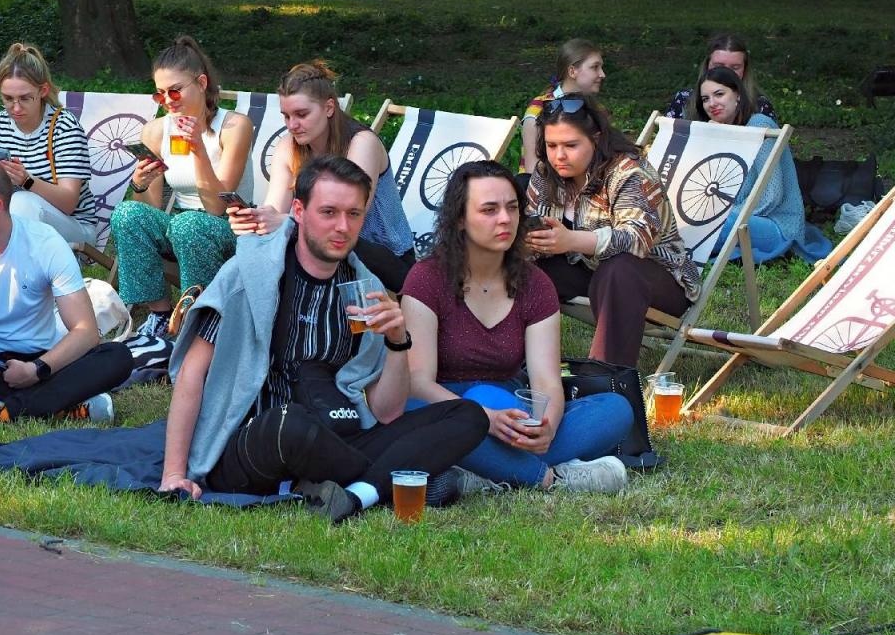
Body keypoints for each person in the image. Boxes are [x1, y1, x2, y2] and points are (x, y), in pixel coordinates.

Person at [161, 154, 487, 522]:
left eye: (354, 214)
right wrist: (174, 474)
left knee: (469, 414)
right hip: (257, 437)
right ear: (298, 211)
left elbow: (386, 411)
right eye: (329, 212)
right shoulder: (249, 276)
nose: (342, 227)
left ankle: (355, 495)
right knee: (289, 423)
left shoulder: (364, 289)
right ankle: (402, 477)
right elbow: (192, 372)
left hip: (337, 433)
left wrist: (398, 341)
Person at [402, 162, 633, 495]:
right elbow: (417, 382)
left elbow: (546, 382)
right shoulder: (426, 278)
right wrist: (483, 417)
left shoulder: (535, 284)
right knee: (420, 414)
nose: (505, 220)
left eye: (512, 208)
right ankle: (553, 479)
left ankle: (483, 473)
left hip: (512, 408)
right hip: (444, 408)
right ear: (459, 219)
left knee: (615, 410)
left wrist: (546, 427)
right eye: (489, 210)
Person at [0, 155, 132, 422]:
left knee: (118, 356)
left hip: (40, 360)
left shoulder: (44, 243)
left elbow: (85, 331)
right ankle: (60, 407)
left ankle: (2, 411)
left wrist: (36, 369)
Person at [526, 97, 700, 366]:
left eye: (571, 145)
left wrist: (570, 240)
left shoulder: (628, 172)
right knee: (516, 267)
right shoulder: (545, 173)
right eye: (551, 145)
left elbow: (637, 239)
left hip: (656, 277)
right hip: (588, 270)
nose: (559, 155)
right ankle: (510, 362)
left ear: (595, 139)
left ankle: (607, 380)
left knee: (618, 268)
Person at [109, 35, 254, 341]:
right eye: (160, 95)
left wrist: (200, 150)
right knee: (126, 214)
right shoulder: (156, 130)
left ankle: (198, 319)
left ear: (201, 83)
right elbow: (147, 211)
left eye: (175, 91)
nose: (169, 102)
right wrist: (140, 183)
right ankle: (161, 316)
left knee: (189, 224)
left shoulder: (234, 127)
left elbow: (218, 207)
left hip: (230, 226)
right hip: (180, 221)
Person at [227, 60, 416, 291]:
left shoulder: (361, 144)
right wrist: (257, 219)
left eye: (301, 114)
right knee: (259, 250)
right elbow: (275, 210)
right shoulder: (289, 146)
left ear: (329, 108)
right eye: (286, 116)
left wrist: (288, 225)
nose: (292, 125)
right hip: (323, 251)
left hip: (381, 257)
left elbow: (349, 221)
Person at [693, 67, 829, 263]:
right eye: (705, 99)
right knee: (691, 220)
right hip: (737, 219)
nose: (712, 103)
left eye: (719, 94)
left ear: (737, 95)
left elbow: (772, 194)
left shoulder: (759, 125)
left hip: (776, 224)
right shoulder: (720, 131)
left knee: (714, 224)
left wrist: (723, 215)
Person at [0, 43, 100, 246]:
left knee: (23, 202)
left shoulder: (64, 127)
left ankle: (18, 273)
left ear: (43, 90)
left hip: (73, 227)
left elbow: (68, 203)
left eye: (25, 98)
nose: (15, 108)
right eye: (7, 99)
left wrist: (26, 181)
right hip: (11, 220)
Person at [520, 39, 607, 176]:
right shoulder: (539, 109)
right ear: (572, 71)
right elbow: (532, 171)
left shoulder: (596, 109)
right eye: (595, 67)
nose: (602, 74)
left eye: (601, 67)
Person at [666, 33, 777, 121]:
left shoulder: (759, 106)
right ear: (707, 65)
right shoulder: (685, 100)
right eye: (718, 66)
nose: (726, 73)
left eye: (735, 67)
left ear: (744, 70)